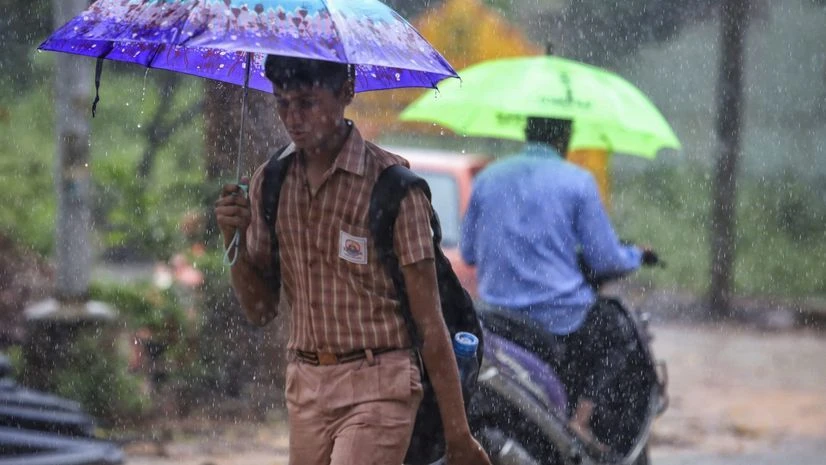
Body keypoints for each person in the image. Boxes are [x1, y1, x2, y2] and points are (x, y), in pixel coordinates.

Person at [214, 55, 490, 465]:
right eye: (282, 103)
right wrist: (232, 236)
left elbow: (430, 324)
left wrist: (458, 434)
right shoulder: (271, 182)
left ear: (346, 91)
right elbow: (260, 309)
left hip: (381, 384)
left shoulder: (394, 190)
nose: (292, 118)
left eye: (306, 103)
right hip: (305, 387)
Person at [460, 116, 655, 451]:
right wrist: (637, 255)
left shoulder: (488, 178)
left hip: (495, 317)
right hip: (561, 319)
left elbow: (468, 253)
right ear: (565, 139)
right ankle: (581, 421)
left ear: (527, 133)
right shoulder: (578, 182)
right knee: (617, 332)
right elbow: (605, 259)